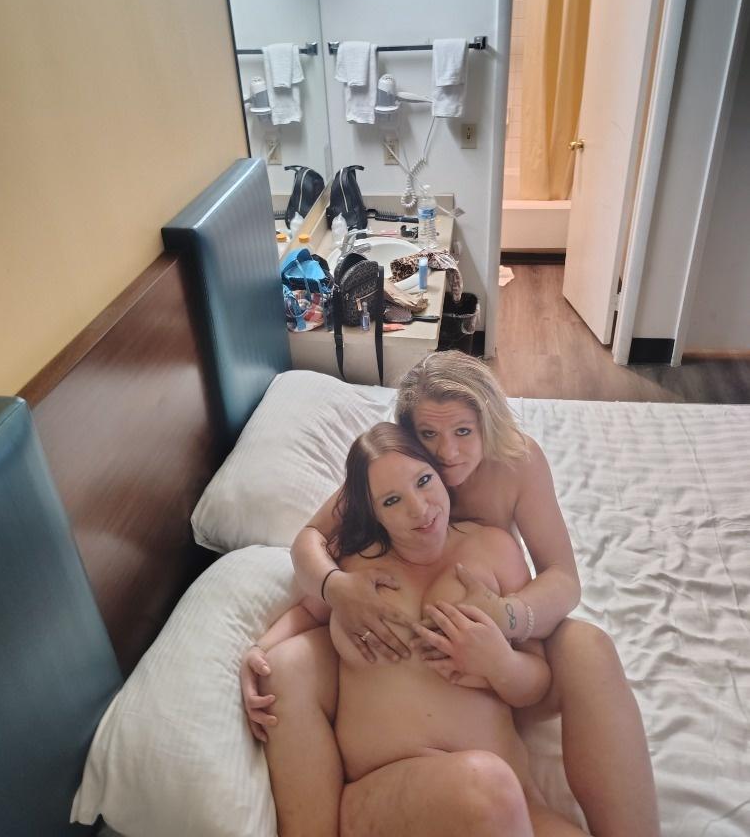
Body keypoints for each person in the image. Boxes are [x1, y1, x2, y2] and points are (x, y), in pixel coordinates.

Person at [242, 351, 659, 837]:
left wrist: (504, 622)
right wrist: (329, 594)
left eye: (463, 431)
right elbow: (311, 548)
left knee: (589, 648)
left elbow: (563, 580)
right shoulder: (385, 483)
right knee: (484, 787)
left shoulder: (510, 483)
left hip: (496, 668)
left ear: (487, 421)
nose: (447, 453)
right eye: (428, 435)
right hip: (415, 773)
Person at [247, 422, 588, 837]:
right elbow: (307, 613)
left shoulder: (496, 548)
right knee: (486, 787)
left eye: (424, 481)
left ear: (441, 474)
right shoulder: (353, 568)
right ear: (373, 512)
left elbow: (536, 681)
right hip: (394, 796)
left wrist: (498, 663)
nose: (419, 509)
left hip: (509, 800)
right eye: (392, 500)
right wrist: (259, 650)